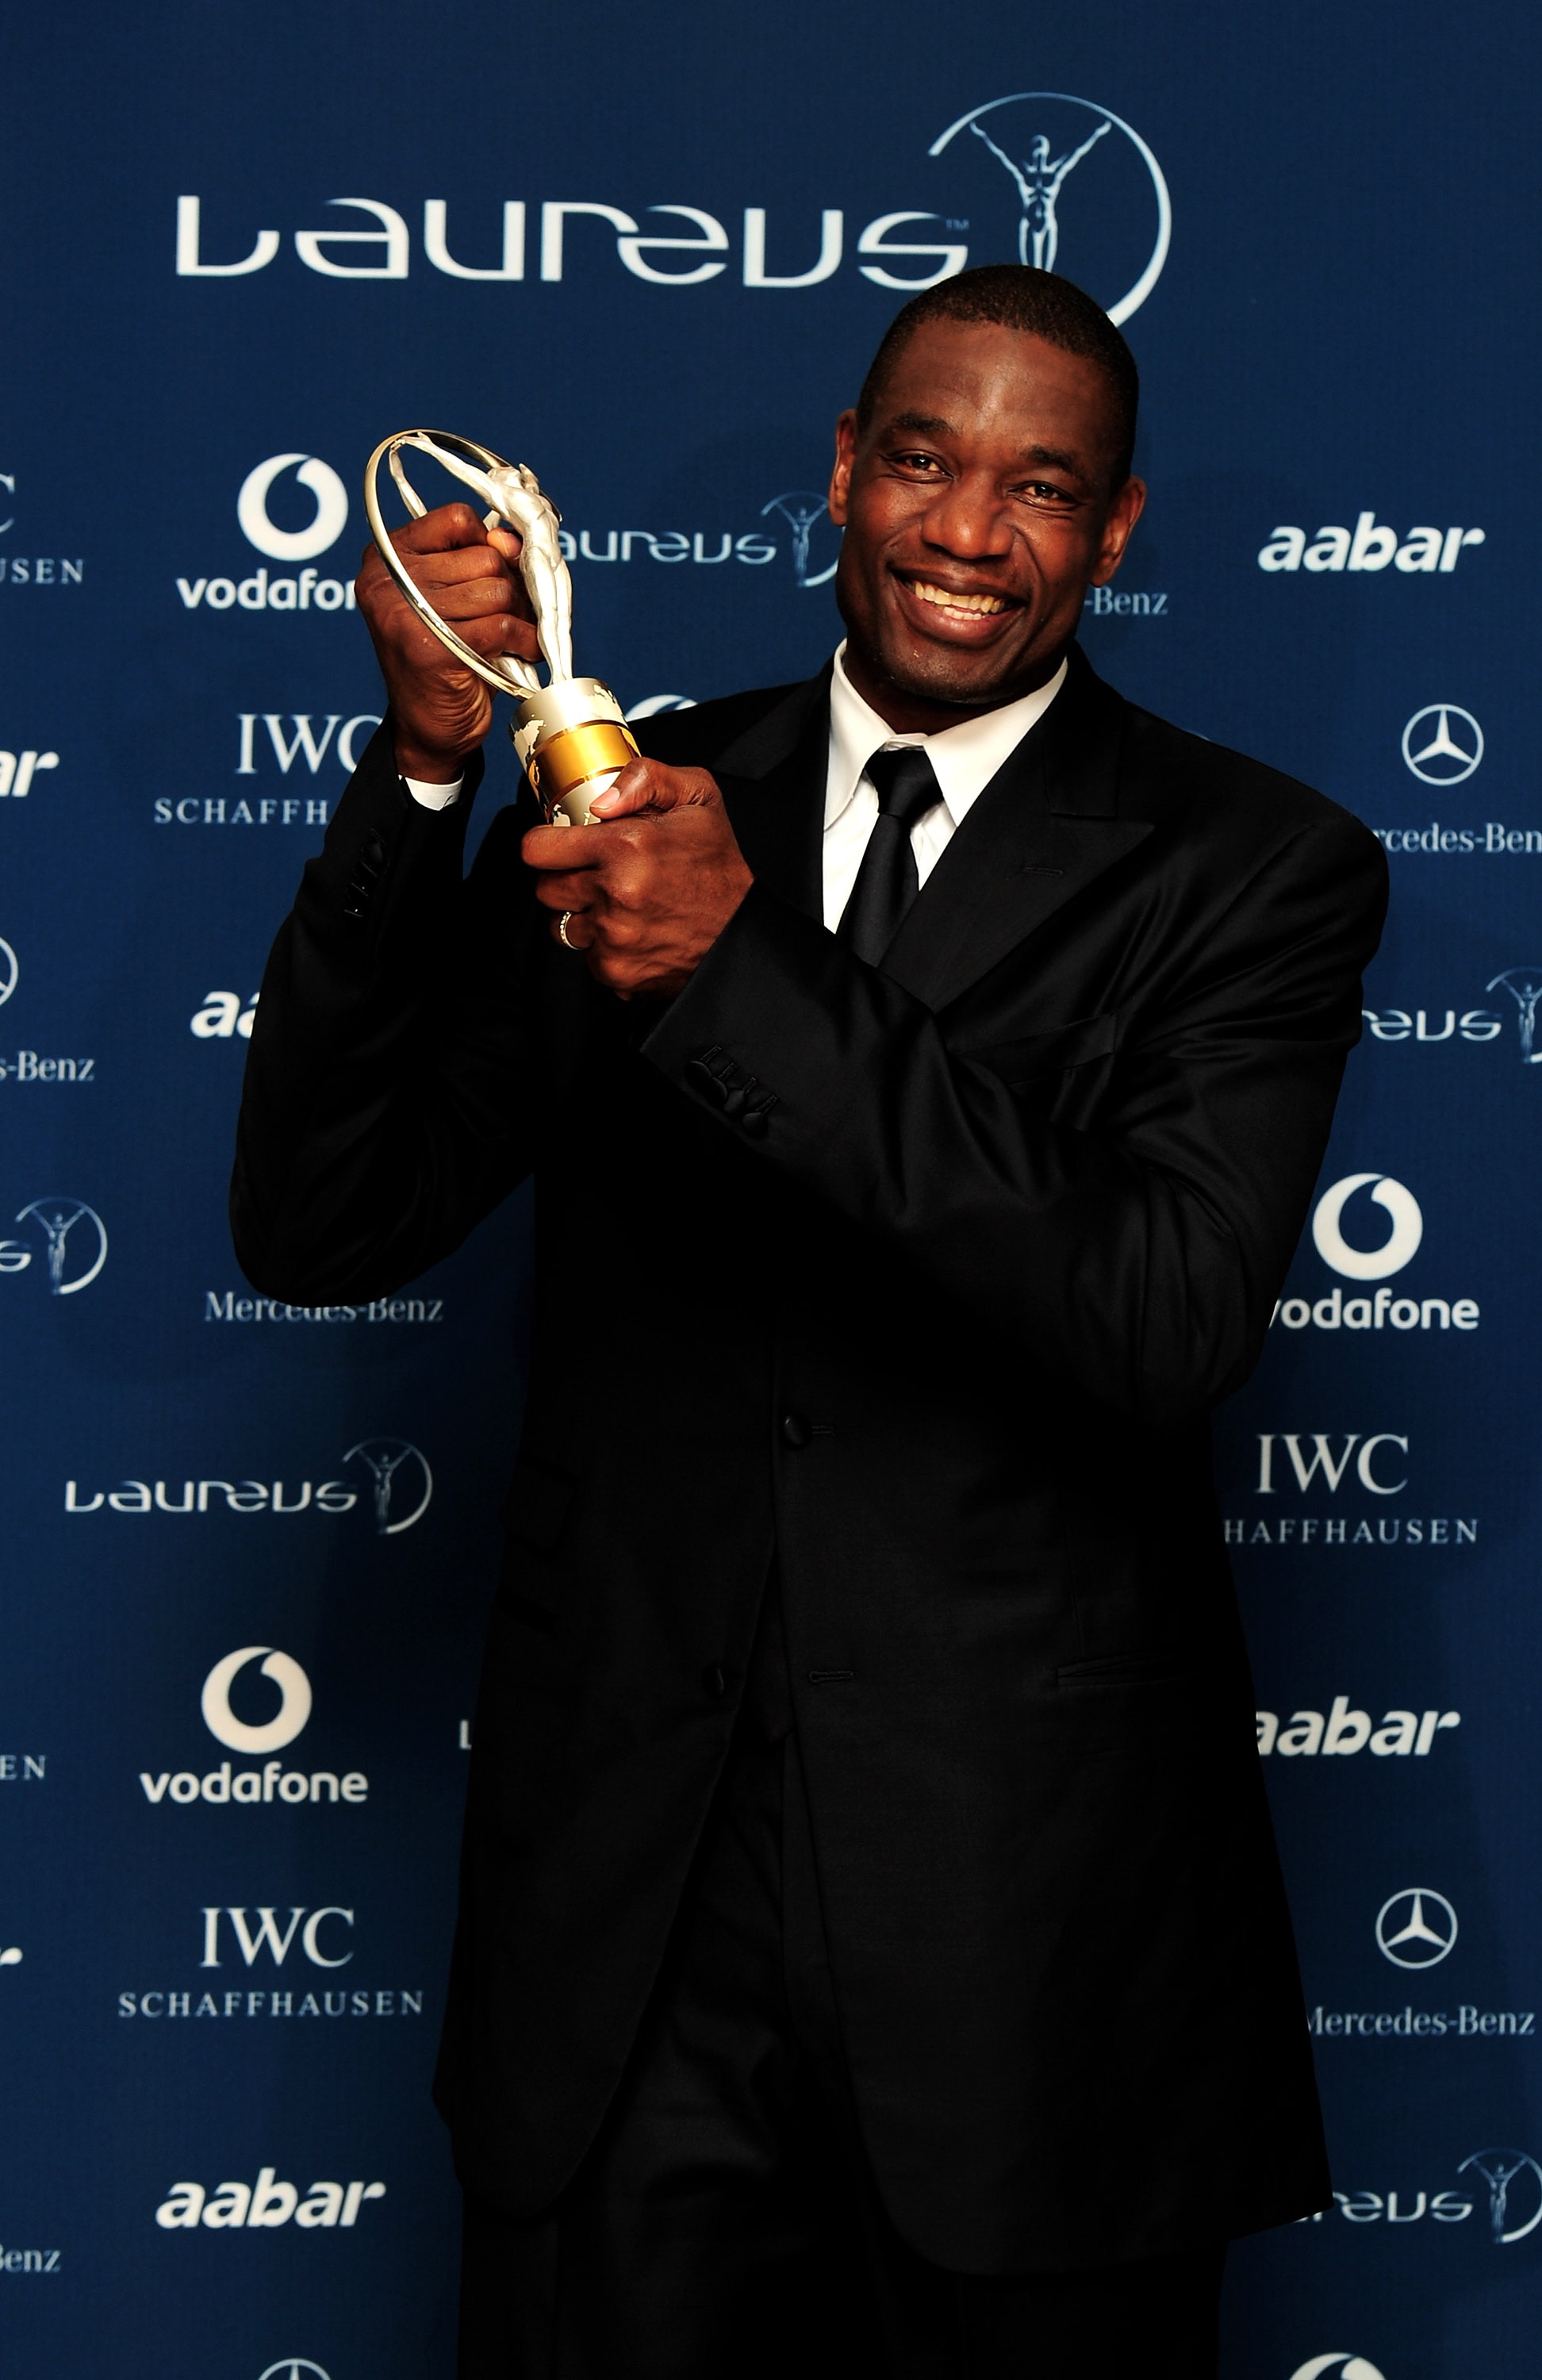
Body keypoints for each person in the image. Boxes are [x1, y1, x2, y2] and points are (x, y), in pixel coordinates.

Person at [232, 264, 1387, 2378]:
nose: (969, 531)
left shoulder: (1260, 868)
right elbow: (324, 1222)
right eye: (926, 460)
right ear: (843, 475)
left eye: (1044, 488)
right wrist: (421, 773)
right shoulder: (627, 790)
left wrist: (741, 968)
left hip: (1034, 1975)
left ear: (1115, 535)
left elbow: (1159, 1310)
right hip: (628, 1957)